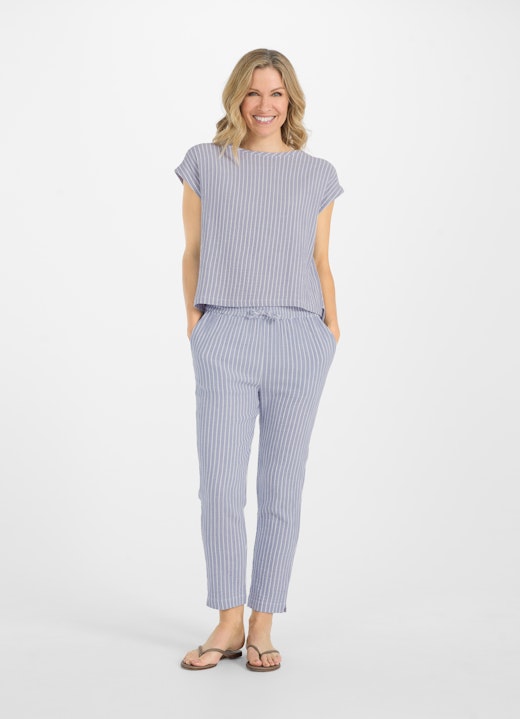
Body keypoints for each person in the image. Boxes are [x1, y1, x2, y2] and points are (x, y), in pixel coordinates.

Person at [174, 48, 343, 672]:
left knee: (281, 485)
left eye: (275, 93)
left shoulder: (317, 174)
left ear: (290, 99)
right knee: (220, 483)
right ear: (235, 98)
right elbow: (192, 251)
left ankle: (263, 624)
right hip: (225, 333)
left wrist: (330, 330)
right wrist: (197, 324)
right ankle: (227, 621)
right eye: (253, 92)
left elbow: (321, 260)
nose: (264, 105)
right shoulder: (205, 163)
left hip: (300, 337)